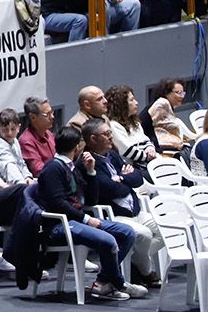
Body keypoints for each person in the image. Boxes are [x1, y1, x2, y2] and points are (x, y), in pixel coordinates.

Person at [33, 126, 144, 300]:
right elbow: (58, 203)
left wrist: (91, 171)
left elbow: (91, 201)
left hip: (77, 221)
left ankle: (104, 282)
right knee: (108, 240)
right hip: (59, 226)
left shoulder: (73, 168)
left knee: (127, 233)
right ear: (77, 147)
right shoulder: (53, 169)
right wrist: (86, 219)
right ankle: (118, 283)